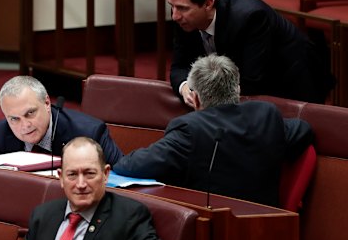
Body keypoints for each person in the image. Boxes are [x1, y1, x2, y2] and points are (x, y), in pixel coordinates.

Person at [113, 54, 314, 207]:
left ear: (196, 99)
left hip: (211, 228)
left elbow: (130, 166)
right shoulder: (267, 115)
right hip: (268, 225)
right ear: (237, 91)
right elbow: (303, 129)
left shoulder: (190, 129)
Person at [165, 0, 334, 107]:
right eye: (171, 6)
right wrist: (186, 87)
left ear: (208, 4)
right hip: (245, 85)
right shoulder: (185, 18)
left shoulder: (250, 17)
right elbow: (179, 67)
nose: (175, 15)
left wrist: (204, 93)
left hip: (291, 78)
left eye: (182, 8)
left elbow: (252, 81)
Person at [12, 137, 175, 240]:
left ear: (105, 174)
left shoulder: (128, 218)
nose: (81, 184)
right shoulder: (44, 215)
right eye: (72, 175)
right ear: (61, 178)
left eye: (89, 174)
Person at [0, 75, 124, 165]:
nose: (25, 125)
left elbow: (119, 178)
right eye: (14, 119)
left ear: (47, 103)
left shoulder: (90, 132)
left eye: (30, 113)